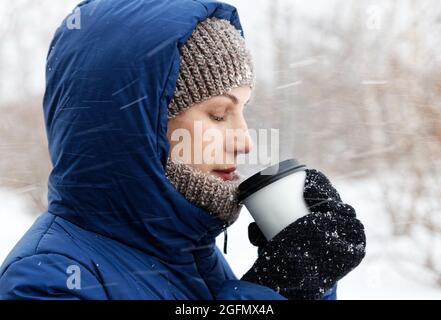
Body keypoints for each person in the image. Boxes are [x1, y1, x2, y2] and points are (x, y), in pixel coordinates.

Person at [0, 0, 365, 300]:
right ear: (142, 127)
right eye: (219, 114)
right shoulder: (47, 279)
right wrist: (272, 290)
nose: (245, 141)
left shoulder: (190, 255)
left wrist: (309, 276)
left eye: (242, 111)